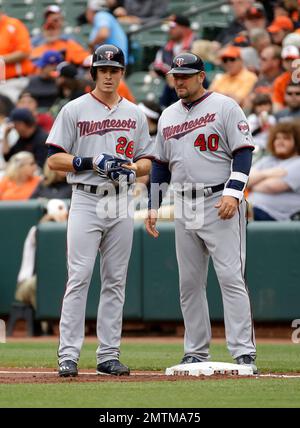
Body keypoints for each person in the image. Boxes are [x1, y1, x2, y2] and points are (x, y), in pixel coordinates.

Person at [46, 44, 154, 377]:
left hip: (120, 199)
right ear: (94, 72)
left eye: (114, 70)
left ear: (122, 73)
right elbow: (53, 159)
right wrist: (88, 161)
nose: (108, 75)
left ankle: (108, 354)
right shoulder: (75, 109)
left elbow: (149, 160)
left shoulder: (134, 113)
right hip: (86, 198)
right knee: (79, 277)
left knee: (115, 280)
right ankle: (68, 355)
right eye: (103, 69)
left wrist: (133, 169)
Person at [146, 52, 257, 372]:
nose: (179, 80)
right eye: (175, 76)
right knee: (189, 283)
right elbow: (160, 166)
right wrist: (153, 204)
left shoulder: (225, 106)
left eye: (185, 75)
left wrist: (233, 194)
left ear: (200, 76)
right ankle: (195, 349)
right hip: (184, 203)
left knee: (231, 277)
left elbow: (243, 153)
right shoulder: (167, 115)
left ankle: (243, 351)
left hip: (218, 199)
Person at [248, 121, 300, 221]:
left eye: (286, 138)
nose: (280, 142)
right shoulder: (267, 160)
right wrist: (268, 173)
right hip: (250, 209)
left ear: (297, 142)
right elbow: (245, 181)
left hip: (275, 216)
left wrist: (252, 185)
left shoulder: (298, 162)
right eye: (277, 138)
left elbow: (271, 186)